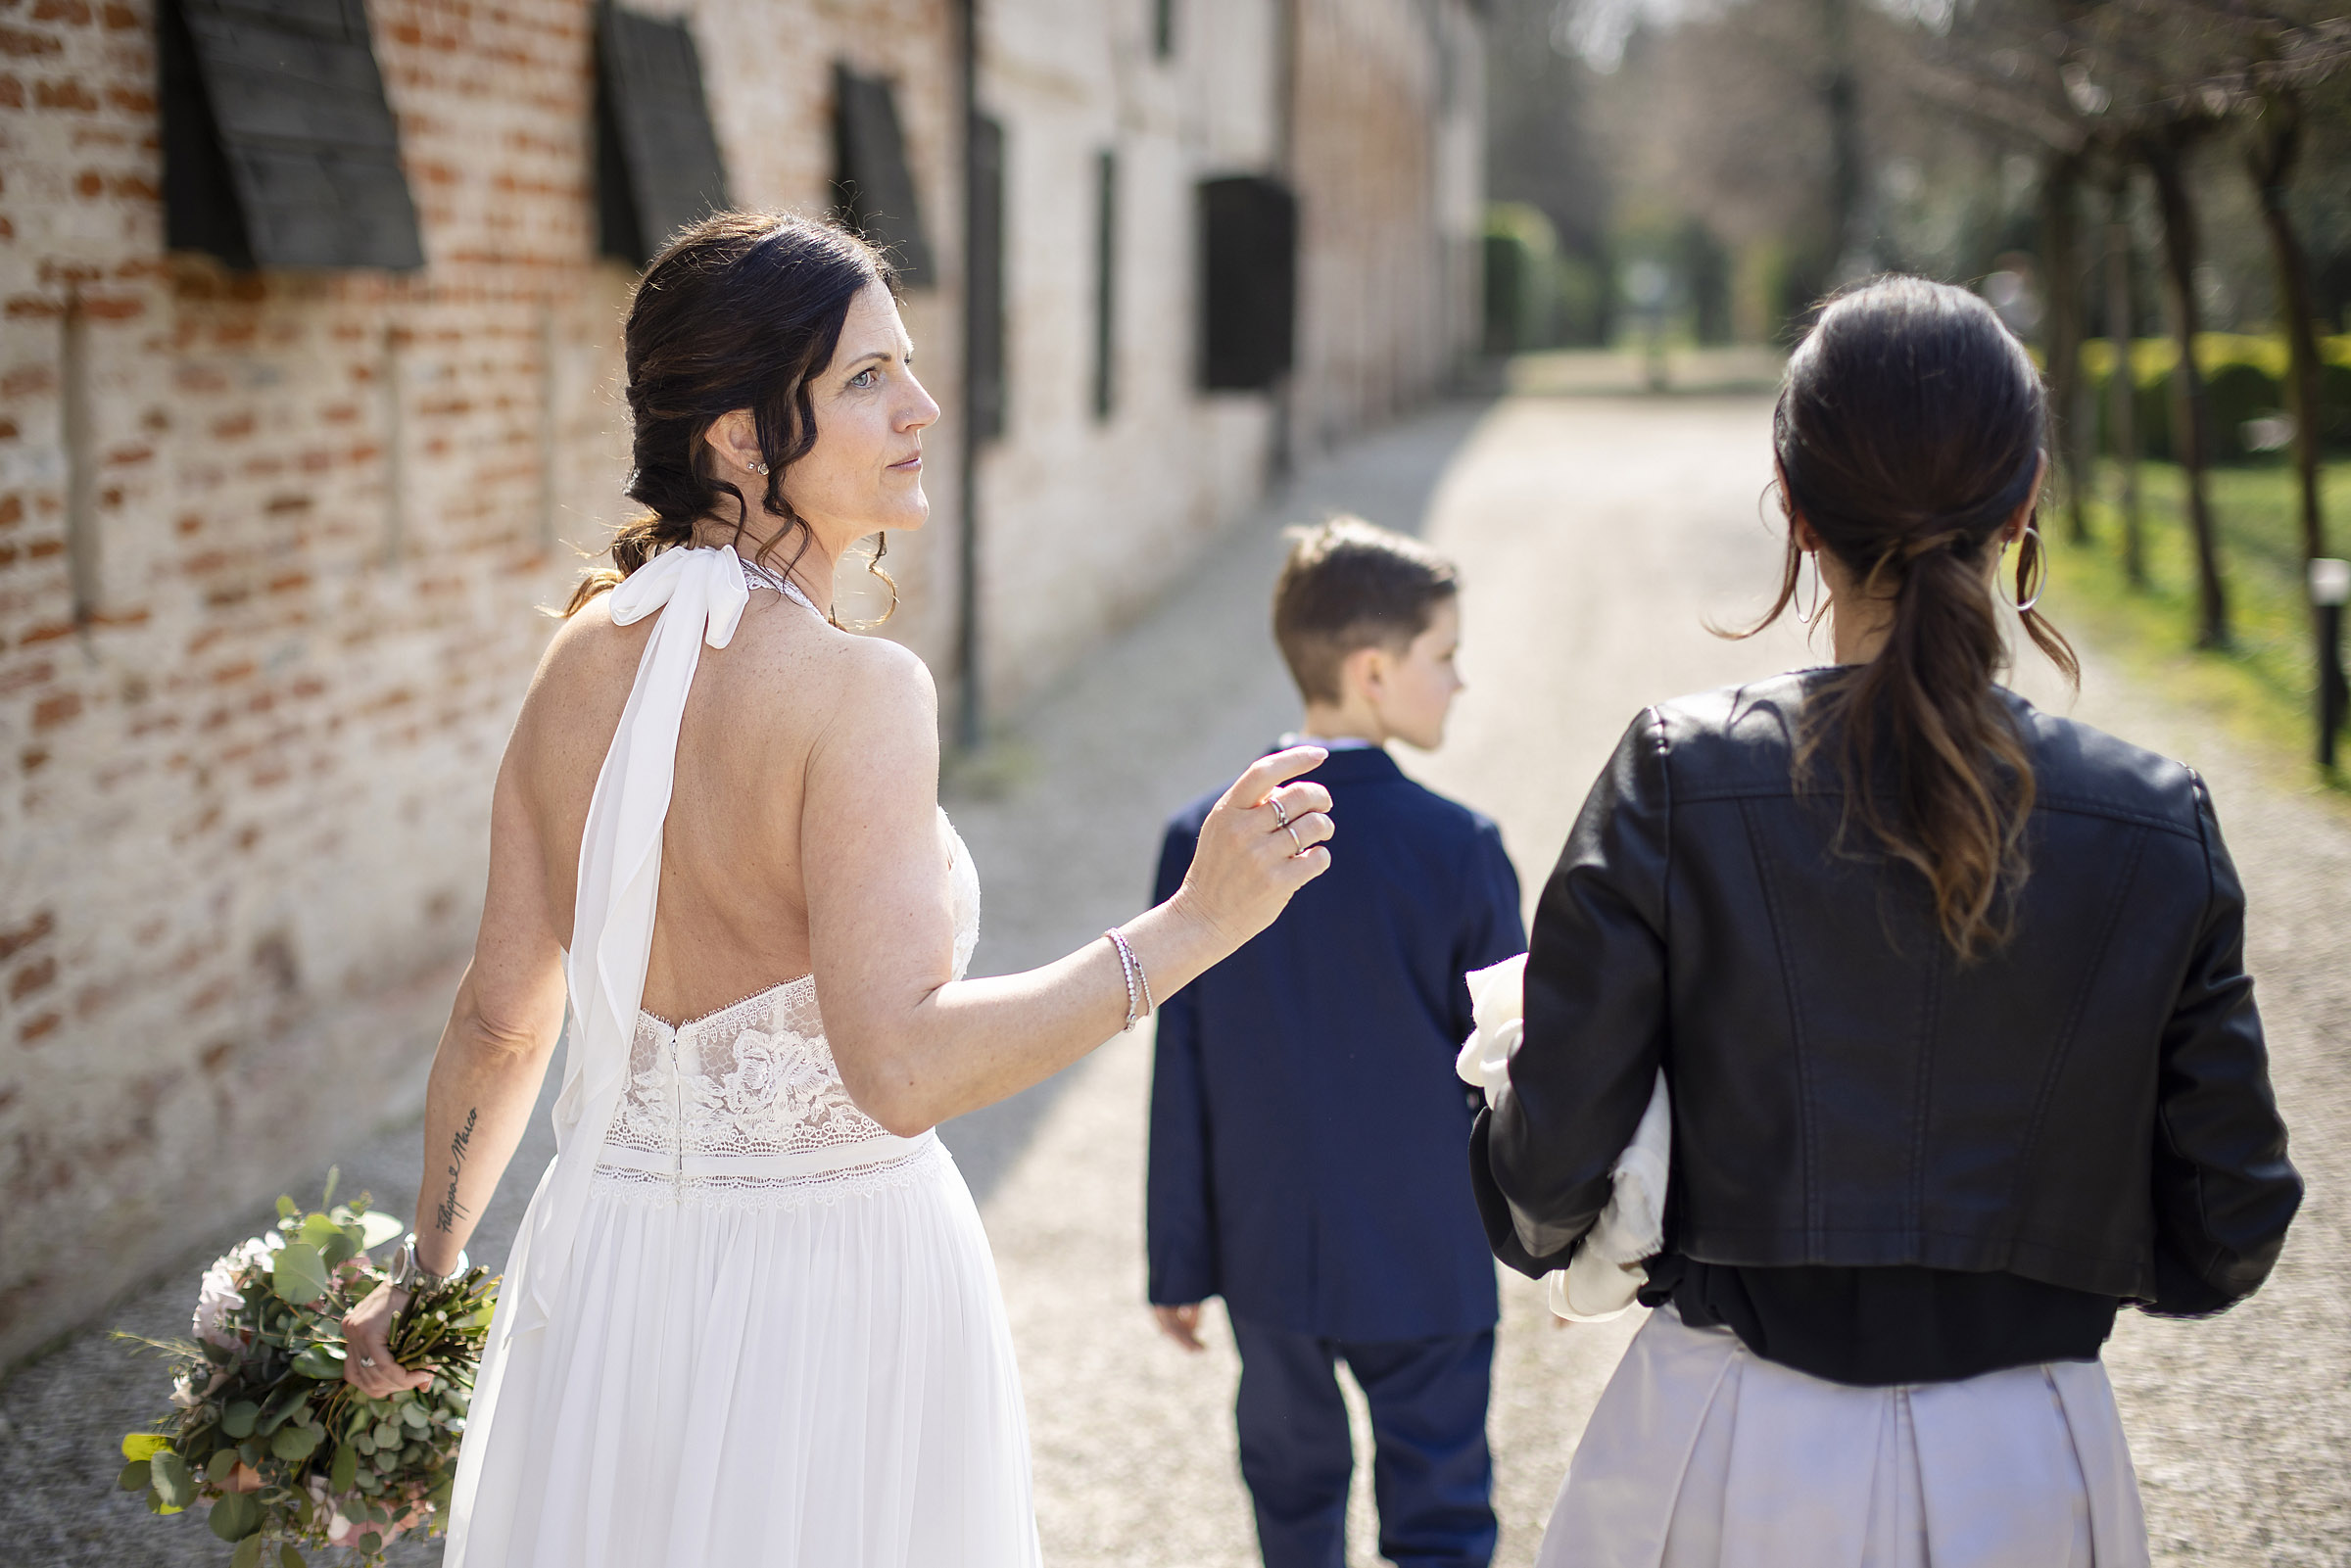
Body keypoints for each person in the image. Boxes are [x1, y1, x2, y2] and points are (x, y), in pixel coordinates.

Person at [336, 211, 1338, 1568]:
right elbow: (902, 1067)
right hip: (827, 1292)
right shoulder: (861, 692)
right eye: (866, 378)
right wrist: (1190, 928)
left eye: (906, 366)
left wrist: (430, 1277)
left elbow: (504, 1020)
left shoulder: (576, 662)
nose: (921, 406)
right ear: (742, 437)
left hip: (609, 1268)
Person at [1474, 276, 2303, 1568]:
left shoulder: (1677, 776)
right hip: (2037, 1465)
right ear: (2027, 503)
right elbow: (2231, 1222)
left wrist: (1504, 1075)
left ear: (1794, 509)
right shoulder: (2157, 821)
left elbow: (1541, 1188)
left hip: (1724, 1447)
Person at [1149, 518, 1525, 1568]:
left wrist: (1179, 1254)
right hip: (1428, 1257)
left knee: (1293, 1509)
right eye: (1443, 655)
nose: (1459, 680)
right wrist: (1555, 1230)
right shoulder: (1461, 848)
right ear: (1372, 670)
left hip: (1270, 1258)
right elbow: (1517, 1070)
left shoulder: (1200, 840)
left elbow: (1182, 1068)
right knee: (1442, 1520)